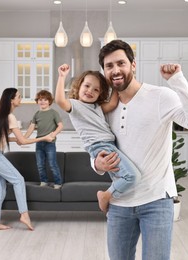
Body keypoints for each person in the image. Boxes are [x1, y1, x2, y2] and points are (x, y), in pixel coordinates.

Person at [94, 40, 188, 259]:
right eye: (109, 66)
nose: (116, 70)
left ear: (133, 65)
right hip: (119, 202)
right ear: (104, 71)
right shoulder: (105, 108)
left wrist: (177, 81)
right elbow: (95, 146)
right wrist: (96, 164)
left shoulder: (160, 97)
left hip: (156, 201)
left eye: (121, 63)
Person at [55, 63, 141, 213]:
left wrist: (116, 82)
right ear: (79, 86)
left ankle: (114, 206)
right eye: (87, 86)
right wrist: (62, 77)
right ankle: (105, 196)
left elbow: (113, 103)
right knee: (132, 176)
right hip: (100, 147)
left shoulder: (97, 107)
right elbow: (60, 101)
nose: (90, 91)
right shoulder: (75, 106)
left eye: (96, 90)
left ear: (100, 93)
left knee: (122, 178)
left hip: (108, 145)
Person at [0, 88, 54, 232]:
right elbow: (23, 141)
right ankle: (24, 215)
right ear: (11, 100)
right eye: (19, 97)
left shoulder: (2, 114)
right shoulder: (10, 117)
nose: (21, 99)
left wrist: (18, 139)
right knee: (18, 180)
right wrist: (44, 137)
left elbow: (3, 137)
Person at [23, 90, 64, 189]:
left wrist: (53, 135)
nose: (43, 102)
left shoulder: (53, 113)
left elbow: (60, 126)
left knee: (52, 164)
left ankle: (58, 183)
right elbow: (31, 128)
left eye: (45, 100)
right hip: (39, 143)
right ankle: (43, 181)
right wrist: (24, 138)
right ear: (37, 101)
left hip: (50, 143)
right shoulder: (37, 114)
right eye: (40, 100)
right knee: (40, 165)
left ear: (49, 101)